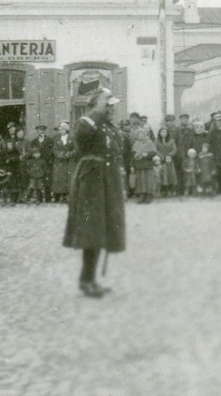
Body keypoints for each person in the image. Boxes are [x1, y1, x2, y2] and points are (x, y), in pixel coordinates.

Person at [64, 87, 126, 298]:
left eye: (112, 105)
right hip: (91, 179)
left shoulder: (108, 125)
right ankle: (86, 280)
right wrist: (97, 113)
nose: (111, 108)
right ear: (94, 104)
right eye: (107, 104)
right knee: (91, 229)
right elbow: (81, 143)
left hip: (107, 178)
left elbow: (117, 148)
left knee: (103, 228)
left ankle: (91, 279)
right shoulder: (86, 123)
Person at [131, 127, 159, 204]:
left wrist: (146, 154)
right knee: (140, 181)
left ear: (144, 135)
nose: (140, 136)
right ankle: (141, 195)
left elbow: (154, 152)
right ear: (136, 136)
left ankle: (148, 195)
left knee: (148, 180)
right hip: (139, 165)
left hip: (148, 164)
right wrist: (132, 166)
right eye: (139, 134)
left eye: (142, 134)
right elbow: (133, 156)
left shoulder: (149, 142)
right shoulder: (135, 144)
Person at [50, 121, 75, 205]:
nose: (61, 131)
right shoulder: (57, 139)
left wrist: (69, 154)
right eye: (60, 130)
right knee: (60, 179)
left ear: (66, 130)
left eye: (63, 129)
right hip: (59, 162)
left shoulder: (72, 139)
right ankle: (61, 195)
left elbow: (75, 149)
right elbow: (54, 149)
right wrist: (59, 155)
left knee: (69, 178)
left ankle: (68, 196)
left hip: (69, 162)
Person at [156, 125, 178, 197]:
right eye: (162, 132)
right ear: (159, 133)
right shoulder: (156, 141)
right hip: (161, 161)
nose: (163, 133)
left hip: (169, 161)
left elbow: (174, 150)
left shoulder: (172, 140)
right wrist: (160, 156)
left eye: (165, 132)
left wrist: (169, 156)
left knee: (171, 175)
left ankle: (171, 190)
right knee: (163, 175)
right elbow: (155, 150)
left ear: (167, 133)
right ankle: (164, 190)